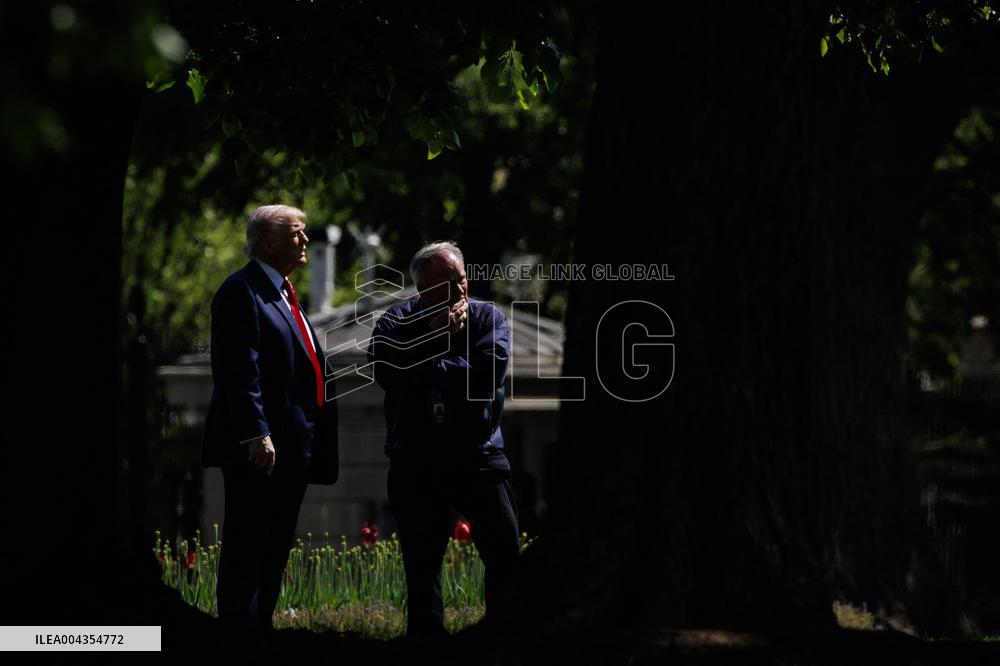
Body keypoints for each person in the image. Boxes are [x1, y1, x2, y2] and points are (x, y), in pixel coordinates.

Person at [366, 241, 519, 639]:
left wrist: (421, 367)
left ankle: (500, 639)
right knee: (421, 566)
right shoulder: (395, 321)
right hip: (416, 461)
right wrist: (435, 338)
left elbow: (484, 376)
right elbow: (386, 371)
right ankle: (427, 646)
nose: (460, 291)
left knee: (505, 556)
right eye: (447, 284)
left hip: (478, 457)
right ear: (422, 289)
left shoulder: (489, 318)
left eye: (462, 279)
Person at [201, 204, 339, 641]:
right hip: (259, 449)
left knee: (275, 543)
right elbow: (239, 370)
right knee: (248, 542)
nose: (304, 241)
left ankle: (259, 630)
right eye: (296, 233)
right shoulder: (241, 291)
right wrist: (254, 432)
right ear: (268, 242)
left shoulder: (282, 293)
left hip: (292, 447)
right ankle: (238, 632)